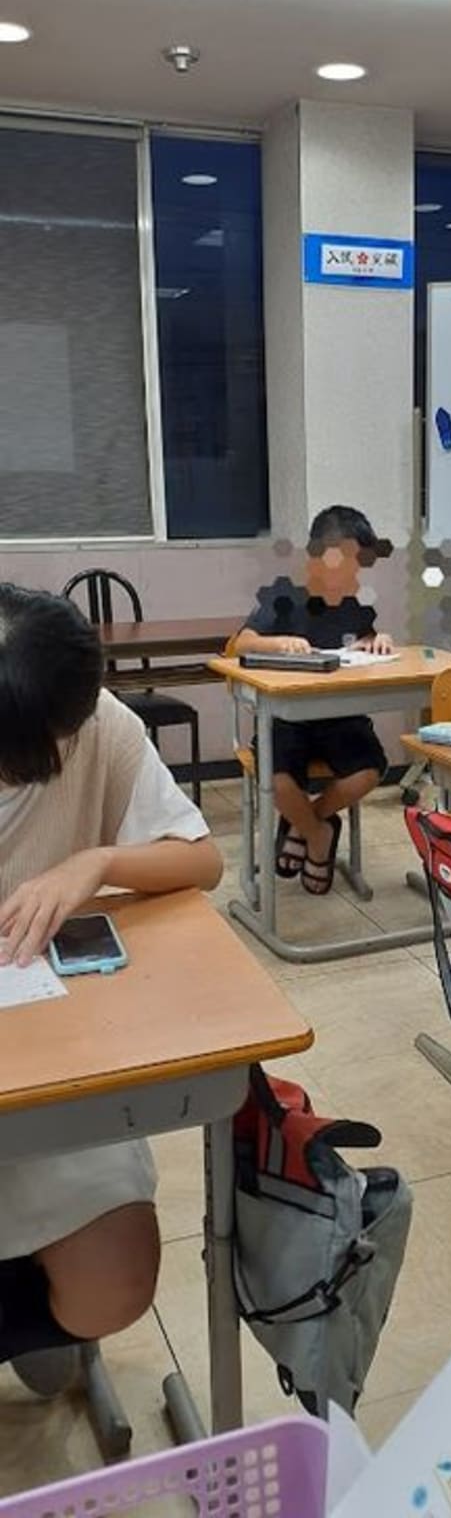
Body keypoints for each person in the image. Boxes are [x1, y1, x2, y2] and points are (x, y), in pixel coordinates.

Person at [0, 584, 222, 1397]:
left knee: (117, 1285)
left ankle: (36, 1304)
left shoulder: (97, 726)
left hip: (54, 1057)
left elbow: (200, 859)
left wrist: (95, 862)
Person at [235, 505, 393, 895]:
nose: (354, 574)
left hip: (341, 718)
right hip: (286, 719)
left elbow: (365, 639)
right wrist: (279, 643)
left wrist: (377, 640)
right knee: (277, 779)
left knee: (369, 771)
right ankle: (319, 836)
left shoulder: (356, 605)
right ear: (319, 555)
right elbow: (242, 643)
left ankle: (304, 823)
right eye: (349, 563)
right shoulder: (284, 595)